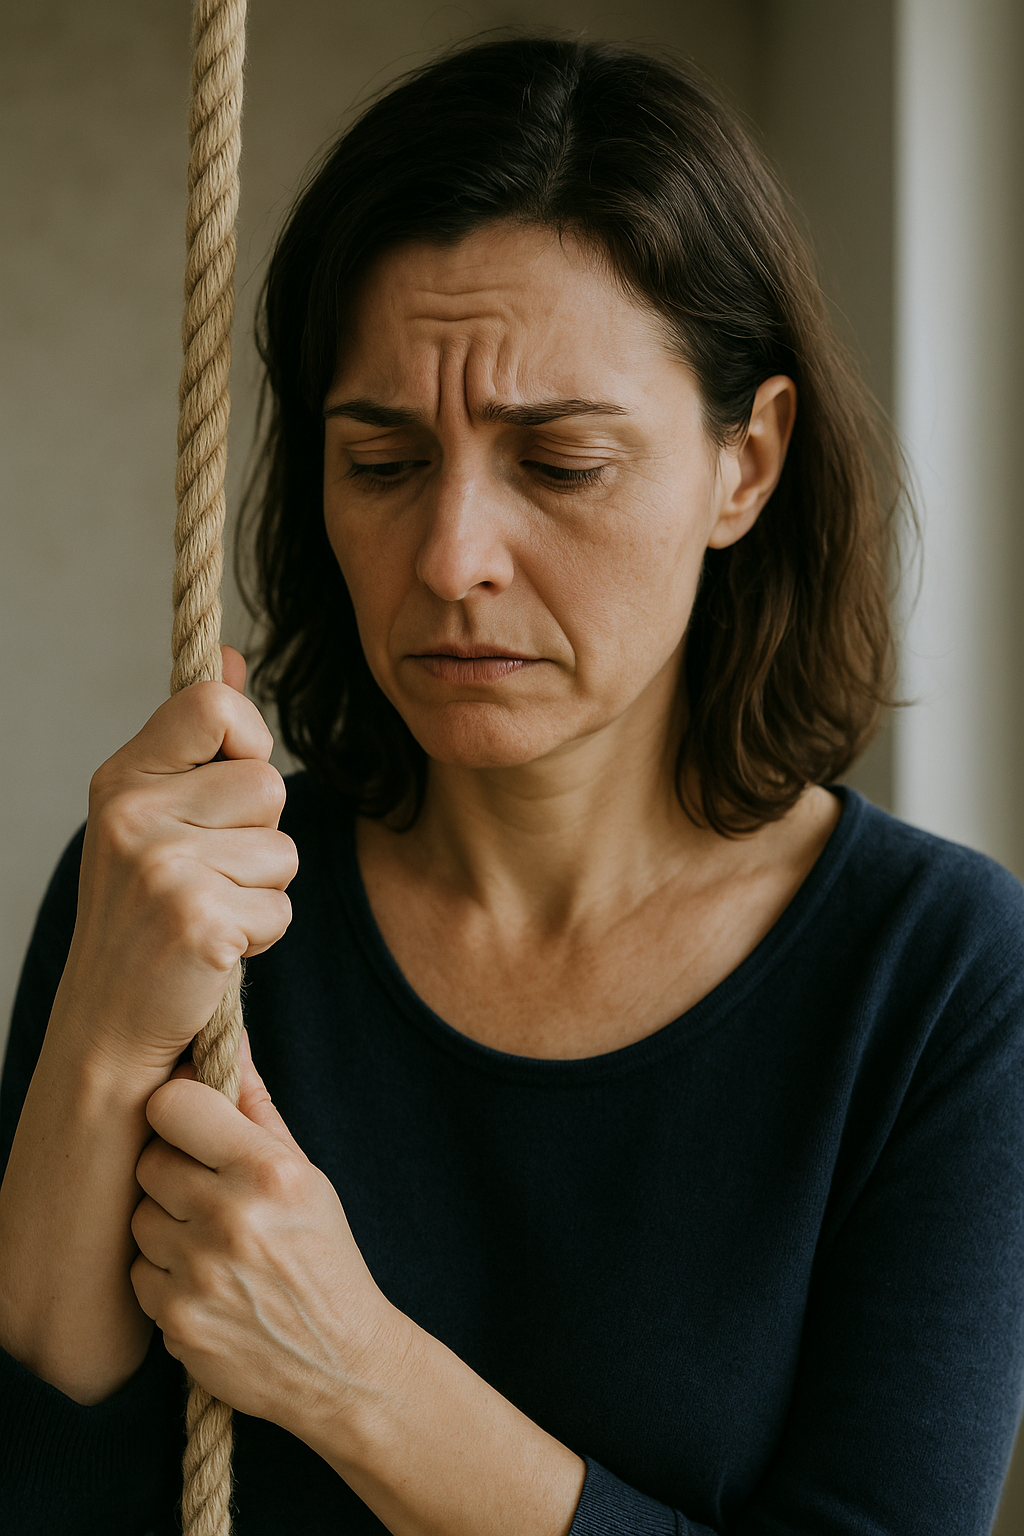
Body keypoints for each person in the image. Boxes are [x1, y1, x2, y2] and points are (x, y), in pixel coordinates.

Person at [1, 34, 1022, 1536]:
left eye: (559, 462)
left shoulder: (938, 978)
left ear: (746, 464)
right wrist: (98, 1035)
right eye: (384, 460)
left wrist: (357, 1375)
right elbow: (52, 1494)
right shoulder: (185, 905)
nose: (451, 558)